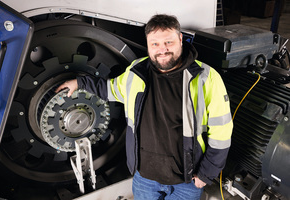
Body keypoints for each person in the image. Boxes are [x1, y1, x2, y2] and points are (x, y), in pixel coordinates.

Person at [56, 14, 233, 200]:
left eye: (168, 42)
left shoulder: (206, 78)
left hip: (186, 182)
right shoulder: (136, 72)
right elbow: (110, 89)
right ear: (148, 44)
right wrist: (79, 83)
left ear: (180, 39)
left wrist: (206, 174)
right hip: (144, 179)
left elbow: (222, 133)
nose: (162, 50)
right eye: (155, 44)